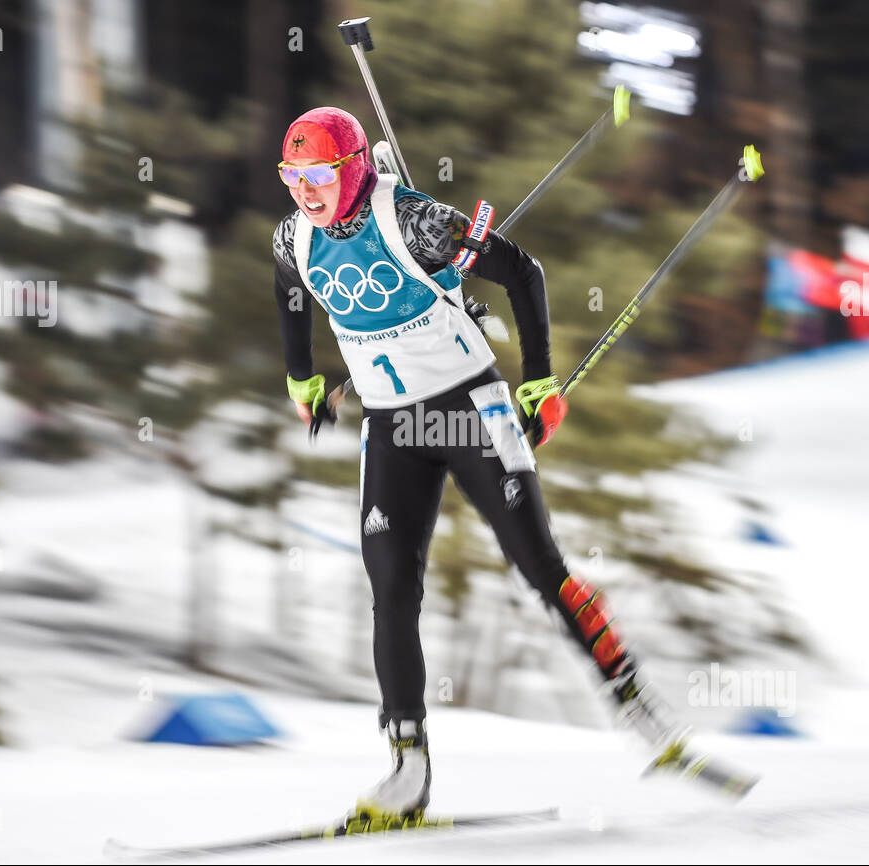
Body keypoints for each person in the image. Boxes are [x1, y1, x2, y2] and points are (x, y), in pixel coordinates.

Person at [272, 106, 672, 820]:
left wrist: (539, 379)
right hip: (394, 424)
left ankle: (634, 698)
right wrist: (302, 376)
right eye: (293, 176)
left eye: (320, 174)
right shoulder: (292, 236)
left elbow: (522, 271)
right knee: (391, 583)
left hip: (467, 408)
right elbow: (290, 291)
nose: (305, 190)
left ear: (354, 167)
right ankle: (406, 765)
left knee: (537, 565)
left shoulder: (420, 223)